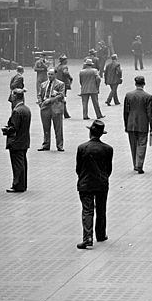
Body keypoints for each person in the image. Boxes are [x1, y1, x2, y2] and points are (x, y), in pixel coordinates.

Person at [75, 119, 113, 249]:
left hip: (85, 182)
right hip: (102, 183)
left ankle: (88, 237)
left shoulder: (82, 148)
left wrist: (82, 177)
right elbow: (109, 169)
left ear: (90, 132)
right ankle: (101, 234)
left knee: (87, 210)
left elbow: (78, 168)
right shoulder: (108, 149)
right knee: (101, 209)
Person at [123, 75, 152, 174]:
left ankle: (135, 164)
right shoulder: (148, 96)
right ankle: (139, 164)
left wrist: (126, 125)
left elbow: (125, 112)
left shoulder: (128, 95)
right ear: (144, 84)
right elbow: (150, 113)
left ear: (135, 83)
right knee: (142, 145)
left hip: (131, 124)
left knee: (133, 145)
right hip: (143, 124)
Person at [3, 88, 32, 192]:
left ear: (15, 97)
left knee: (17, 165)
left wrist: (6, 130)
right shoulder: (26, 109)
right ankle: (22, 184)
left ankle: (18, 185)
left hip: (16, 142)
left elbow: (14, 127)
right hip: (24, 141)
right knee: (23, 163)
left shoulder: (16, 111)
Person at [37, 67, 66, 151]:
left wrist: (51, 100)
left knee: (58, 128)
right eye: (49, 74)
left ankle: (59, 145)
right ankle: (46, 144)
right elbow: (39, 94)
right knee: (46, 127)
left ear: (55, 75)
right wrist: (40, 102)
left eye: (51, 74)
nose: (50, 76)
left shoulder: (60, 84)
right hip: (45, 108)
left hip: (56, 108)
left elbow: (61, 95)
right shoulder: (43, 84)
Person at [56, 55, 72, 119]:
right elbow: (65, 73)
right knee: (63, 98)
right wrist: (70, 78)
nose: (67, 61)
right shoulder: (64, 67)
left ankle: (64, 113)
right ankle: (65, 113)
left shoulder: (57, 67)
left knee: (59, 98)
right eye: (66, 60)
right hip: (63, 84)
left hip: (57, 84)